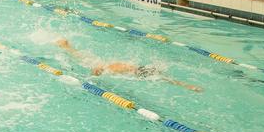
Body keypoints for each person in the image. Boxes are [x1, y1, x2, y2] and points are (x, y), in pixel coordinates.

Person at [57, 38, 201, 91]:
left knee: (82, 57)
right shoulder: (122, 69)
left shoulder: (135, 72)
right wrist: (93, 74)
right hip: (103, 66)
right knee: (81, 58)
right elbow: (98, 69)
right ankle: (65, 45)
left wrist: (187, 86)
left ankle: (66, 46)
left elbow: (166, 79)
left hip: (105, 66)